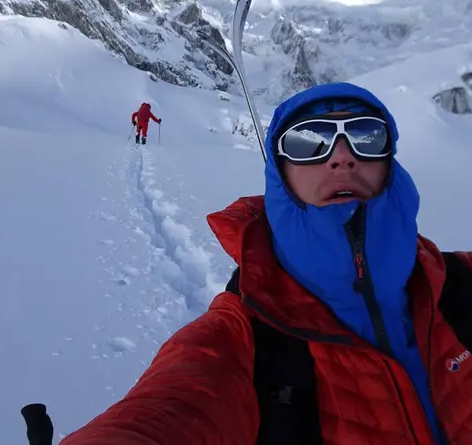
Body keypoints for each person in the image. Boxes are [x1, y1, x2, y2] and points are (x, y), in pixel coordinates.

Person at [61, 82, 472, 444]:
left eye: (366, 136)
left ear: (390, 163)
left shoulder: (463, 284)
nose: (342, 157)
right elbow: (175, 402)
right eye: (308, 142)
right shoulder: (247, 334)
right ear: (281, 175)